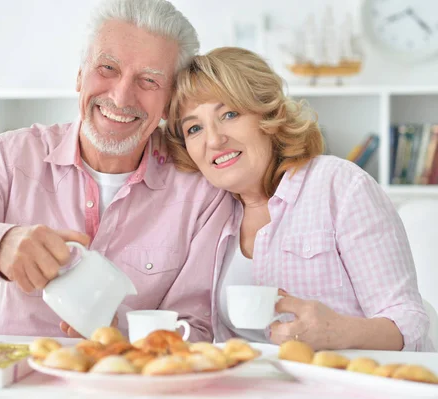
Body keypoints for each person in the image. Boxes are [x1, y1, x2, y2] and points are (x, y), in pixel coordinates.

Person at [0, 0, 233, 341]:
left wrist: (122, 341)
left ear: (169, 102)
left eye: (149, 81)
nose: (121, 97)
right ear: (80, 74)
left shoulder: (201, 191)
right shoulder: (11, 156)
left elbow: (195, 328)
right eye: (107, 68)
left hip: (133, 386)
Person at [162, 46, 432, 351]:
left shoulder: (339, 185)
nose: (213, 139)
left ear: (268, 114)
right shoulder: (212, 213)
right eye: (194, 128)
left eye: (229, 114)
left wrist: (341, 333)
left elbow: (410, 325)